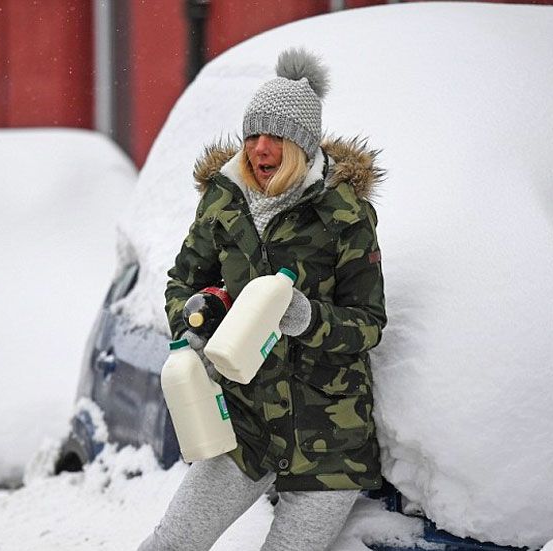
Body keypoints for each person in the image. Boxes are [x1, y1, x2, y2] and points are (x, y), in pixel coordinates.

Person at [139, 48, 387, 551]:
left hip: (328, 436)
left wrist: (307, 318)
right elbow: (181, 284)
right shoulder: (223, 201)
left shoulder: (344, 214)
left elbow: (368, 323)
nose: (259, 148)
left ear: (300, 143)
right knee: (170, 544)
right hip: (245, 426)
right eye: (252, 134)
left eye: (275, 136)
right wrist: (191, 319)